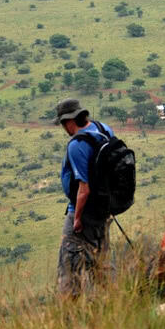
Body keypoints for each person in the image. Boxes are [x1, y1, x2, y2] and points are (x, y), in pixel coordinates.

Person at [56, 98, 115, 297]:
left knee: (68, 263)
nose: (64, 128)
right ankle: (111, 300)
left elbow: (84, 188)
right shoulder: (104, 129)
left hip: (83, 212)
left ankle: (69, 310)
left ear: (69, 121)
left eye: (64, 124)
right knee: (101, 258)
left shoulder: (77, 144)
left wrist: (78, 219)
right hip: (104, 209)